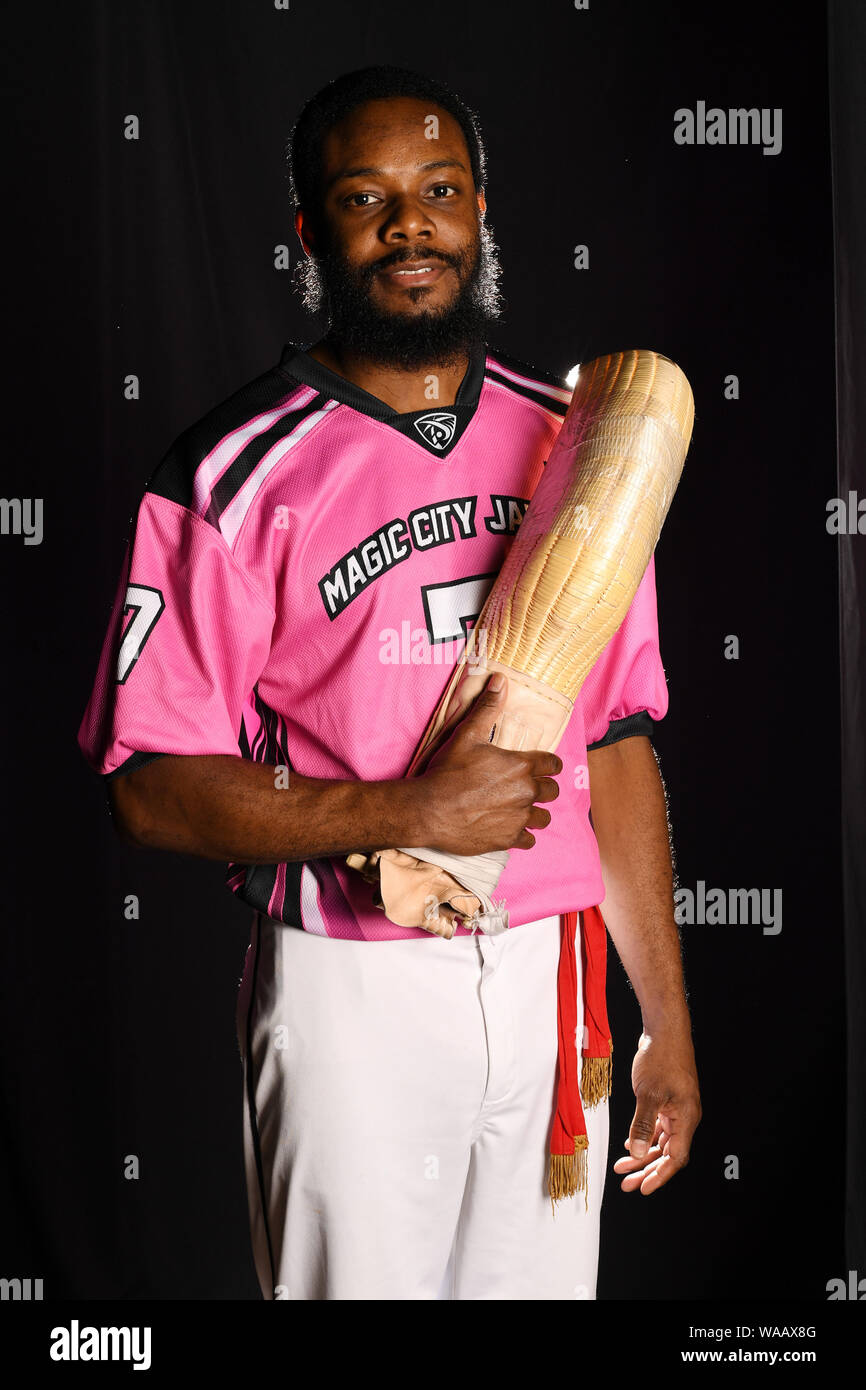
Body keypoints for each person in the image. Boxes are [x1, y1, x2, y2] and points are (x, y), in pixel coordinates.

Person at [77, 64, 701, 1301]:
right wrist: (405, 814)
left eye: (439, 191)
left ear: (480, 214)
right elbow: (147, 789)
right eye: (366, 199)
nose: (410, 223)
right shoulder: (230, 473)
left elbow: (617, 742)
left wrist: (664, 1027)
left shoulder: (569, 441)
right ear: (309, 231)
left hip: (551, 977)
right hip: (350, 987)